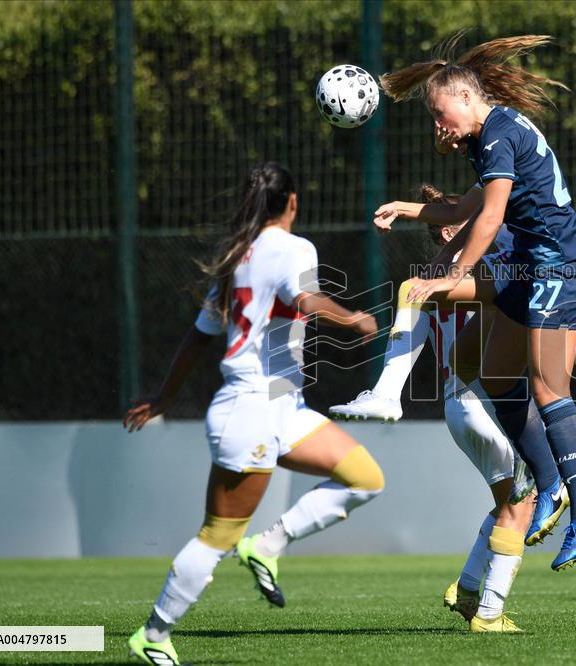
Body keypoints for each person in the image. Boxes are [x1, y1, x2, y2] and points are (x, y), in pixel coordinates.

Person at [122, 163, 384, 665]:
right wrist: (351, 317)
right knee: (218, 534)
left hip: (283, 405)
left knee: (364, 477)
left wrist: (164, 397)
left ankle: (268, 546)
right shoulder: (294, 247)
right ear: (291, 203)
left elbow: (198, 337)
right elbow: (304, 298)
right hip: (252, 407)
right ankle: (154, 635)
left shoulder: (235, 258)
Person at [374, 34, 576, 571]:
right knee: (497, 375)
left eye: (438, 114)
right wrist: (410, 210)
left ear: (462, 97)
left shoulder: (498, 135)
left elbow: (490, 216)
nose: (438, 126)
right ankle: (549, 483)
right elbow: (464, 205)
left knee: (550, 388)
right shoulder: (491, 135)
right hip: (537, 267)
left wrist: (451, 275)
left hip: (559, 265)